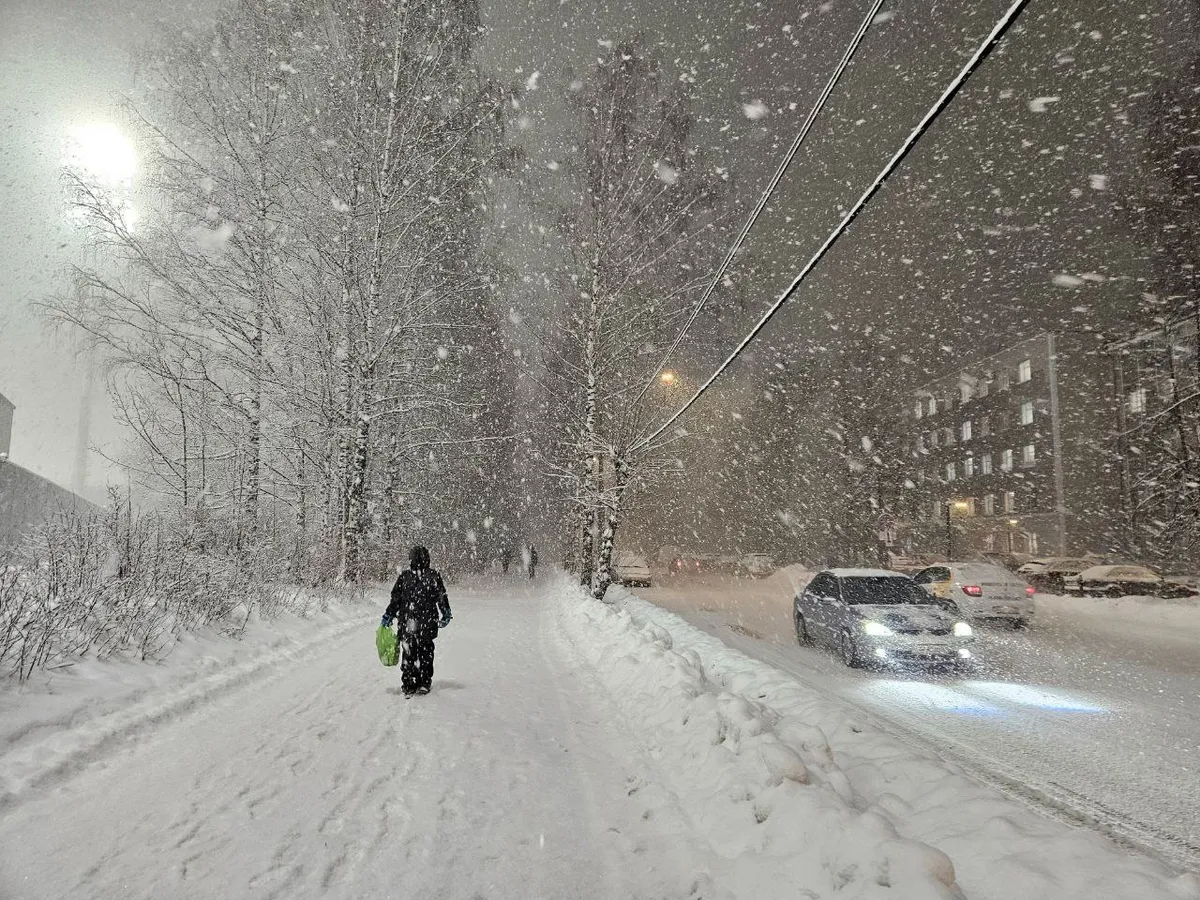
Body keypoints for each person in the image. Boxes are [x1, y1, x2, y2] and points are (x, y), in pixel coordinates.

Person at [381, 545, 452, 697]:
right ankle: (424, 682)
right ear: (427, 559)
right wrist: (446, 612)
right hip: (427, 623)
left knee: (409, 653)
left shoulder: (404, 577)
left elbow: (395, 600)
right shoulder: (433, 576)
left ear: (411, 559)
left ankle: (408, 684)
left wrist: (388, 615)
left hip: (408, 623)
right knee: (426, 653)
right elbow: (441, 597)